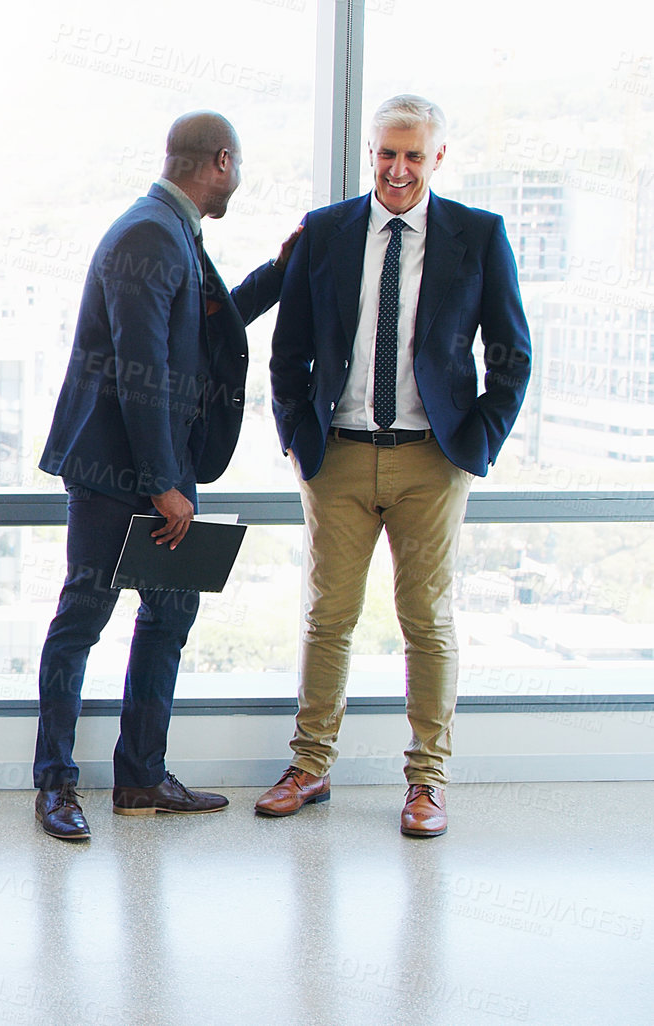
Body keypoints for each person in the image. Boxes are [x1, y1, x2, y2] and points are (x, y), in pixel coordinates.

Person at [257, 95, 531, 838]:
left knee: (427, 622)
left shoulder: (477, 235)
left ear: (437, 157)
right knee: (327, 617)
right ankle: (309, 766)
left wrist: (473, 448)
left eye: (413, 154)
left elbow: (511, 356)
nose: (398, 168)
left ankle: (426, 783)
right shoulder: (326, 232)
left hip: (430, 461)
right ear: (369, 153)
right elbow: (288, 352)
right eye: (386, 152)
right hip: (338, 456)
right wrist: (295, 439)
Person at [32, 111, 294, 842]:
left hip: (160, 468)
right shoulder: (148, 231)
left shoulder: (174, 231)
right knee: (81, 621)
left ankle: (141, 776)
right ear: (219, 160)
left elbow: (202, 332)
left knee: (169, 614)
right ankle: (54, 785)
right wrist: (160, 485)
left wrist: (277, 273)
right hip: (116, 472)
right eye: (236, 167)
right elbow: (138, 367)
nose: (236, 179)